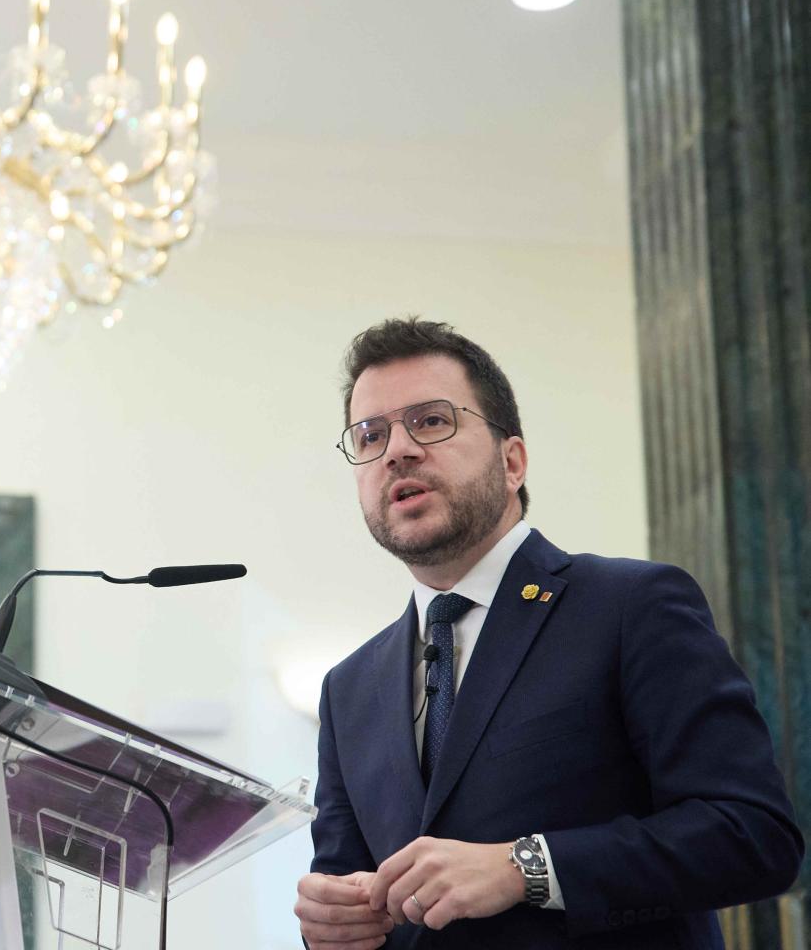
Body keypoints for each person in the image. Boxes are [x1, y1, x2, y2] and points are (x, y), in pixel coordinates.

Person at [293, 319, 802, 949]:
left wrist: (526, 868)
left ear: (512, 462)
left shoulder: (630, 605)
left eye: (430, 421)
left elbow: (752, 835)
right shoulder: (347, 689)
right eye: (371, 435)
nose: (397, 450)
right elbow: (347, 881)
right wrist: (331, 925)